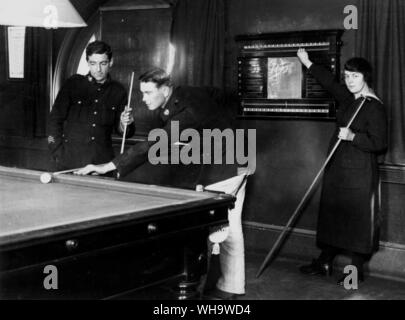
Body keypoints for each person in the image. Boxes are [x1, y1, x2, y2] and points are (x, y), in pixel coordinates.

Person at [75, 68, 245, 298]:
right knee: (226, 225)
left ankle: (210, 287)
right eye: (142, 92)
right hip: (233, 155)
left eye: (147, 93)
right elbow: (222, 96)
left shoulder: (187, 111)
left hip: (227, 164)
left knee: (218, 226)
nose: (143, 99)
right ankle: (227, 287)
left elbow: (155, 143)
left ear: (165, 90)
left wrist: (108, 166)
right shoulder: (185, 93)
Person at [296, 48, 388, 285]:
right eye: (347, 76)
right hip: (338, 168)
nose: (349, 81)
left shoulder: (374, 106)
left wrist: (352, 137)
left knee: (356, 220)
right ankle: (325, 261)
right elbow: (330, 83)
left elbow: (379, 143)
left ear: (366, 78)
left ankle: (355, 270)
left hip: (359, 173)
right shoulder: (350, 99)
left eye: (355, 76)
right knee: (332, 214)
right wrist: (308, 62)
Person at [47, 40, 134, 171]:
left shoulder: (118, 91)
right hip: (69, 163)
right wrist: (56, 151)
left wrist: (124, 123)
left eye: (103, 63)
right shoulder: (73, 84)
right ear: (88, 62)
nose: (98, 69)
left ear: (111, 62)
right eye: (93, 63)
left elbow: (123, 131)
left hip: (101, 165)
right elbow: (54, 120)